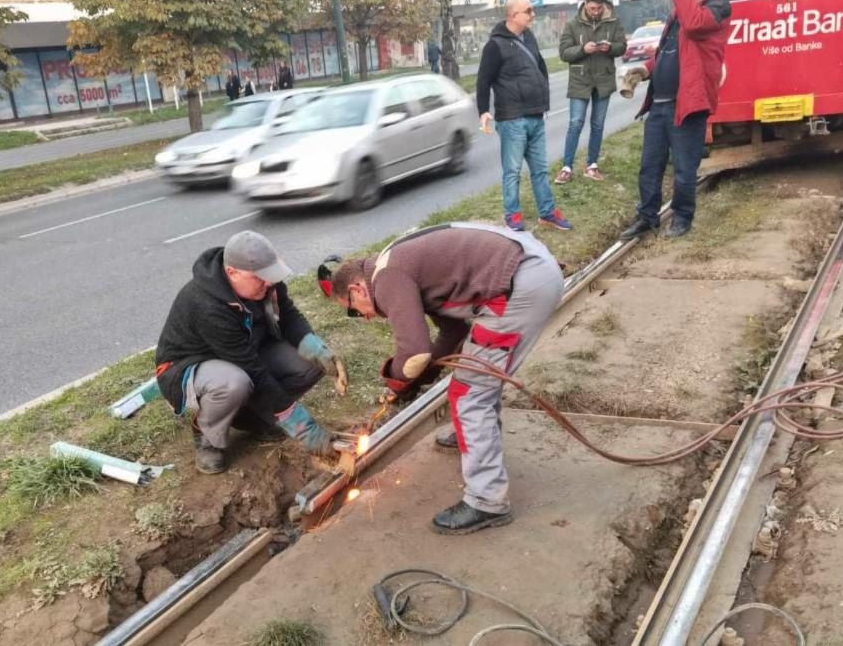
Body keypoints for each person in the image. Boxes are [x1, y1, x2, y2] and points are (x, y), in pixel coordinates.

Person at [324, 222, 564, 535]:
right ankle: (475, 436)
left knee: (469, 392)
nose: (366, 318)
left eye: (354, 310)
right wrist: (427, 373)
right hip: (528, 268)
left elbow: (413, 353)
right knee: (474, 379)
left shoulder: (387, 277)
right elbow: (453, 330)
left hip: (521, 285)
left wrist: (397, 381)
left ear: (356, 290)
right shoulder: (400, 262)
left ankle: (486, 500)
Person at [155, 231, 345, 474]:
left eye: (270, 276)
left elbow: (288, 316)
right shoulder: (207, 305)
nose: (268, 283)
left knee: (308, 364)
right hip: (193, 365)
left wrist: (316, 349)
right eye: (260, 278)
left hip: (247, 350)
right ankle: (206, 433)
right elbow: (253, 372)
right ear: (232, 272)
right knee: (235, 383)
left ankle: (253, 419)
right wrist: (305, 429)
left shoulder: (267, 280)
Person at [620, 0, 731, 240]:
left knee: (684, 168)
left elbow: (694, 26)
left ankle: (682, 217)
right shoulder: (679, 13)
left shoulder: (719, 7)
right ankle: (647, 217)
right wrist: (645, 70)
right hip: (659, 106)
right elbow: (669, 51)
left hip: (688, 105)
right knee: (649, 166)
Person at [476, 0, 573, 232]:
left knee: (540, 170)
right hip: (512, 119)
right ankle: (513, 216)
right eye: (528, 10)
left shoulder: (529, 37)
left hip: (535, 116)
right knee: (513, 172)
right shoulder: (494, 46)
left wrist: (543, 94)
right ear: (513, 15)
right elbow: (483, 81)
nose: (533, 14)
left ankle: (547, 212)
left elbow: (539, 66)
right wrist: (483, 111)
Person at [555, 0, 626, 184]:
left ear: (604, 5)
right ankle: (566, 167)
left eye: (598, 9)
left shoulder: (613, 22)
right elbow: (564, 53)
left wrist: (610, 47)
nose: (595, 12)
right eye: (591, 8)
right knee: (575, 123)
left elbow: (622, 47)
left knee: (598, 124)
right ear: (585, 4)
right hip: (580, 81)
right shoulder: (572, 25)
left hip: (603, 80)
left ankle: (591, 166)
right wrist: (583, 49)